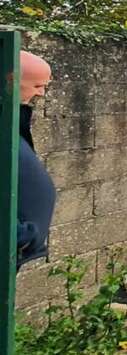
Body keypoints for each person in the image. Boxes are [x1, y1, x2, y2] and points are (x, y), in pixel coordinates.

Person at [15, 51, 55, 269]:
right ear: (11, 80)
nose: (41, 93)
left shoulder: (10, 119)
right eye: (37, 85)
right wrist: (20, 235)